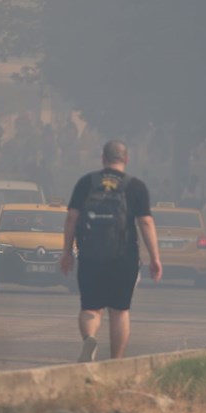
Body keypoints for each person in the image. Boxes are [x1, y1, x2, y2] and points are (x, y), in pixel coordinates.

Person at [61, 140, 163, 362]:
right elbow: (146, 223)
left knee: (90, 309)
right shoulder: (136, 186)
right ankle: (116, 361)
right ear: (126, 159)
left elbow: (71, 218)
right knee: (119, 311)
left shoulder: (86, 183)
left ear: (103, 159)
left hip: (90, 256)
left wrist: (67, 252)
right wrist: (155, 258)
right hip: (124, 258)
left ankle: (90, 338)